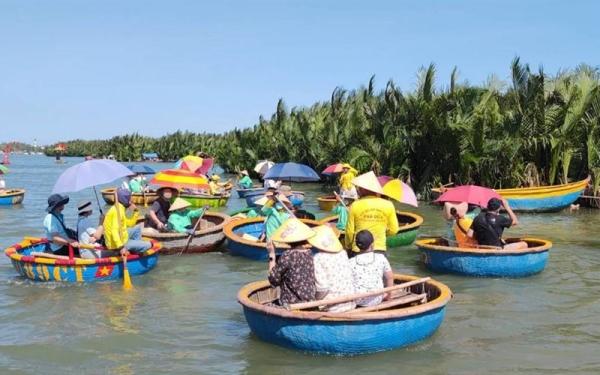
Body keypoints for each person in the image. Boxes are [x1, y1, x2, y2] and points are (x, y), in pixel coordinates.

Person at [345, 171, 399, 255]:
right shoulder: (388, 205)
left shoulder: (355, 205)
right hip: (379, 249)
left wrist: (348, 247)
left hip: (359, 249)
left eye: (359, 187)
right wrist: (380, 233)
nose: (358, 190)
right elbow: (394, 230)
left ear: (364, 189)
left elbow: (349, 232)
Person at [267, 218, 316, 306]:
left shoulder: (288, 255)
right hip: (310, 301)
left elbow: (273, 280)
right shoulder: (310, 253)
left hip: (291, 303)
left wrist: (272, 255)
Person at [309, 225, 355, 312]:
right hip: (350, 302)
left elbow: (323, 289)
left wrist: (314, 301)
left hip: (332, 307)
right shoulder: (343, 253)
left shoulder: (318, 258)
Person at [349, 230, 394, 307]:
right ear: (372, 244)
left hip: (358, 300)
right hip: (377, 298)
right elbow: (390, 277)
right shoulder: (381, 257)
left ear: (357, 245)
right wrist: (388, 295)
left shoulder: (350, 262)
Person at [103, 188, 152, 256]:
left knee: (137, 228)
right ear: (125, 200)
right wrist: (121, 247)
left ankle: (134, 249)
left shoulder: (120, 207)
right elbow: (114, 231)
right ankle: (128, 249)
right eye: (129, 199)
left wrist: (135, 211)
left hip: (122, 236)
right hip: (117, 244)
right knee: (149, 245)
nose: (131, 201)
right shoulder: (118, 211)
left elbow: (129, 224)